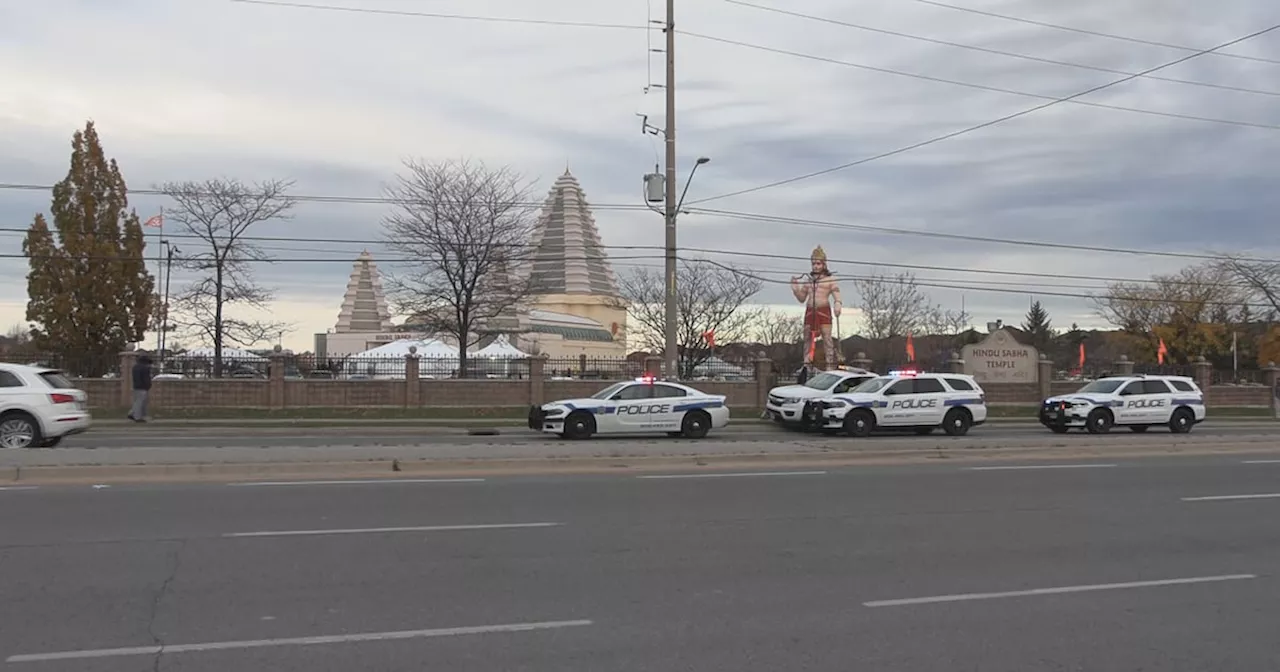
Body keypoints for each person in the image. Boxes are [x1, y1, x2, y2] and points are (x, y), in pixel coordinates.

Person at [790, 245, 843, 371]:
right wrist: (796, 289)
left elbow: (837, 295)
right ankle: (806, 364)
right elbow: (802, 298)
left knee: (827, 339)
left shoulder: (830, 280)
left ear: (824, 264)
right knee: (807, 338)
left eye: (818, 264)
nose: (815, 266)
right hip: (810, 311)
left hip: (824, 310)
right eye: (813, 264)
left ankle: (829, 365)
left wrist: (838, 304)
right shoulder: (808, 281)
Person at [129, 353, 153, 422]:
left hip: (136, 386)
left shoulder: (135, 367)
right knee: (141, 402)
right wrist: (148, 385)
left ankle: (132, 413)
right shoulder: (145, 368)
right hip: (143, 387)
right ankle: (137, 417)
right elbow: (146, 378)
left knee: (137, 401)